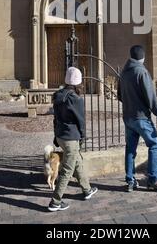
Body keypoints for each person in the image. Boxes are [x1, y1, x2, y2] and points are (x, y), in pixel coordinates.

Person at [118, 45, 157, 193]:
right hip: (141, 117)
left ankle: (130, 181)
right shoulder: (142, 72)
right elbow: (151, 98)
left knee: (130, 149)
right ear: (142, 57)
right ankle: (154, 179)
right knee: (154, 144)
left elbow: (120, 96)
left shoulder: (123, 72)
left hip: (128, 117)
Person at [48, 67, 98, 212]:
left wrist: (56, 135)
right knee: (67, 170)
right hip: (71, 137)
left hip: (61, 135)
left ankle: (87, 189)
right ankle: (55, 202)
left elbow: (55, 118)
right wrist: (82, 136)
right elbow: (81, 121)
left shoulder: (58, 95)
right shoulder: (75, 99)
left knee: (77, 161)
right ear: (79, 82)